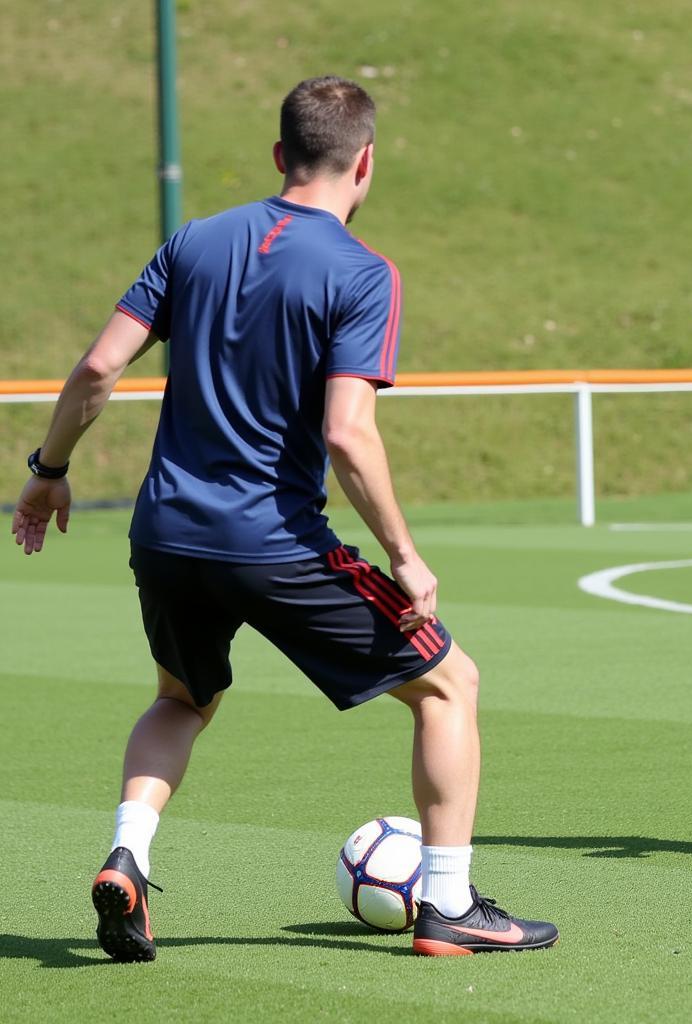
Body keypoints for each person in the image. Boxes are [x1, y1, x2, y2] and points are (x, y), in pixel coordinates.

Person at [11, 75, 557, 958]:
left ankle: (129, 854)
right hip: (274, 543)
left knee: (182, 699)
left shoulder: (193, 242)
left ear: (279, 156)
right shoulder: (361, 272)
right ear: (366, 161)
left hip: (164, 534)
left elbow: (97, 370)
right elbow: (348, 433)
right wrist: (406, 554)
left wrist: (49, 472)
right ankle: (448, 908)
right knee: (452, 686)